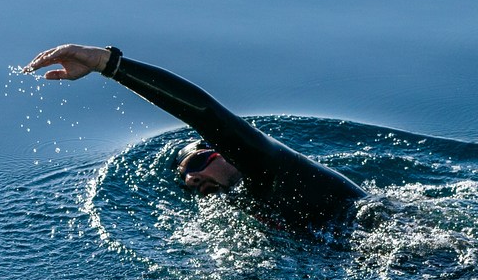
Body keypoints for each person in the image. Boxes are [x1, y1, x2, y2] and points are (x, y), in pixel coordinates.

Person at [24, 44, 367, 234]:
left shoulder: (271, 169)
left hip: (401, 242)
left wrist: (108, 64)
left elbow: (206, 115)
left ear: (226, 152)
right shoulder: (249, 206)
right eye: (185, 179)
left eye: (198, 161)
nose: (192, 177)